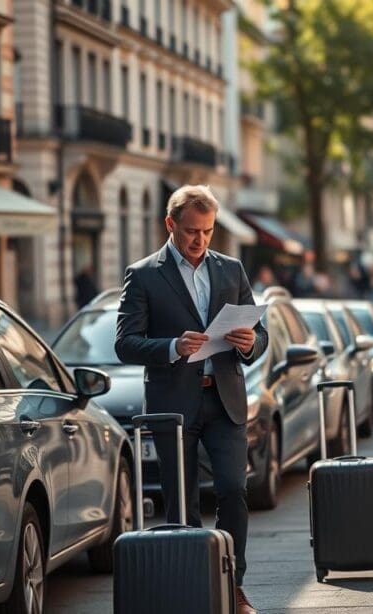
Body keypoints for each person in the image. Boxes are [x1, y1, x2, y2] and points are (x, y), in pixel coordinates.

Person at [115, 184, 267, 614]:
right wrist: (171, 347)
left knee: (234, 490)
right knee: (180, 503)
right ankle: (193, 589)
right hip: (172, 404)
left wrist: (248, 342)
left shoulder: (231, 269)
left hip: (225, 401)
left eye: (207, 231)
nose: (199, 240)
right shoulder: (143, 273)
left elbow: (262, 338)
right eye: (190, 232)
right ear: (170, 225)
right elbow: (125, 343)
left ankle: (232, 585)